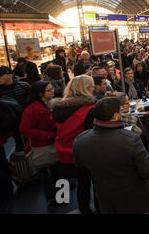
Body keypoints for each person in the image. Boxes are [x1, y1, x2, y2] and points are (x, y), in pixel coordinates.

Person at [73, 97, 149, 214]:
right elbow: (146, 170)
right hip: (132, 198)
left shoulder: (80, 141)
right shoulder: (130, 140)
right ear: (115, 115)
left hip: (104, 197)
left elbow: (81, 166)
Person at [50, 75, 99, 214]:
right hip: (85, 153)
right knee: (96, 183)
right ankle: (99, 208)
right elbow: (92, 134)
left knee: (81, 184)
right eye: (91, 86)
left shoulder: (57, 108)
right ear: (85, 89)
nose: (93, 88)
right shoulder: (89, 109)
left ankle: (83, 209)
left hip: (63, 152)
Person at [19, 81, 59, 207]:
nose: (52, 91)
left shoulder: (51, 104)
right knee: (47, 174)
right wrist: (47, 135)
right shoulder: (31, 110)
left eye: (52, 88)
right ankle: (54, 199)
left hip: (54, 143)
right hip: (42, 146)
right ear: (40, 93)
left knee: (57, 171)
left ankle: (60, 193)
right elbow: (25, 130)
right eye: (49, 90)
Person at [0, 66, 30, 150]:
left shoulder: (24, 86)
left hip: (27, 120)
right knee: (20, 144)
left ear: (10, 75)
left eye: (0, 76)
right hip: (11, 125)